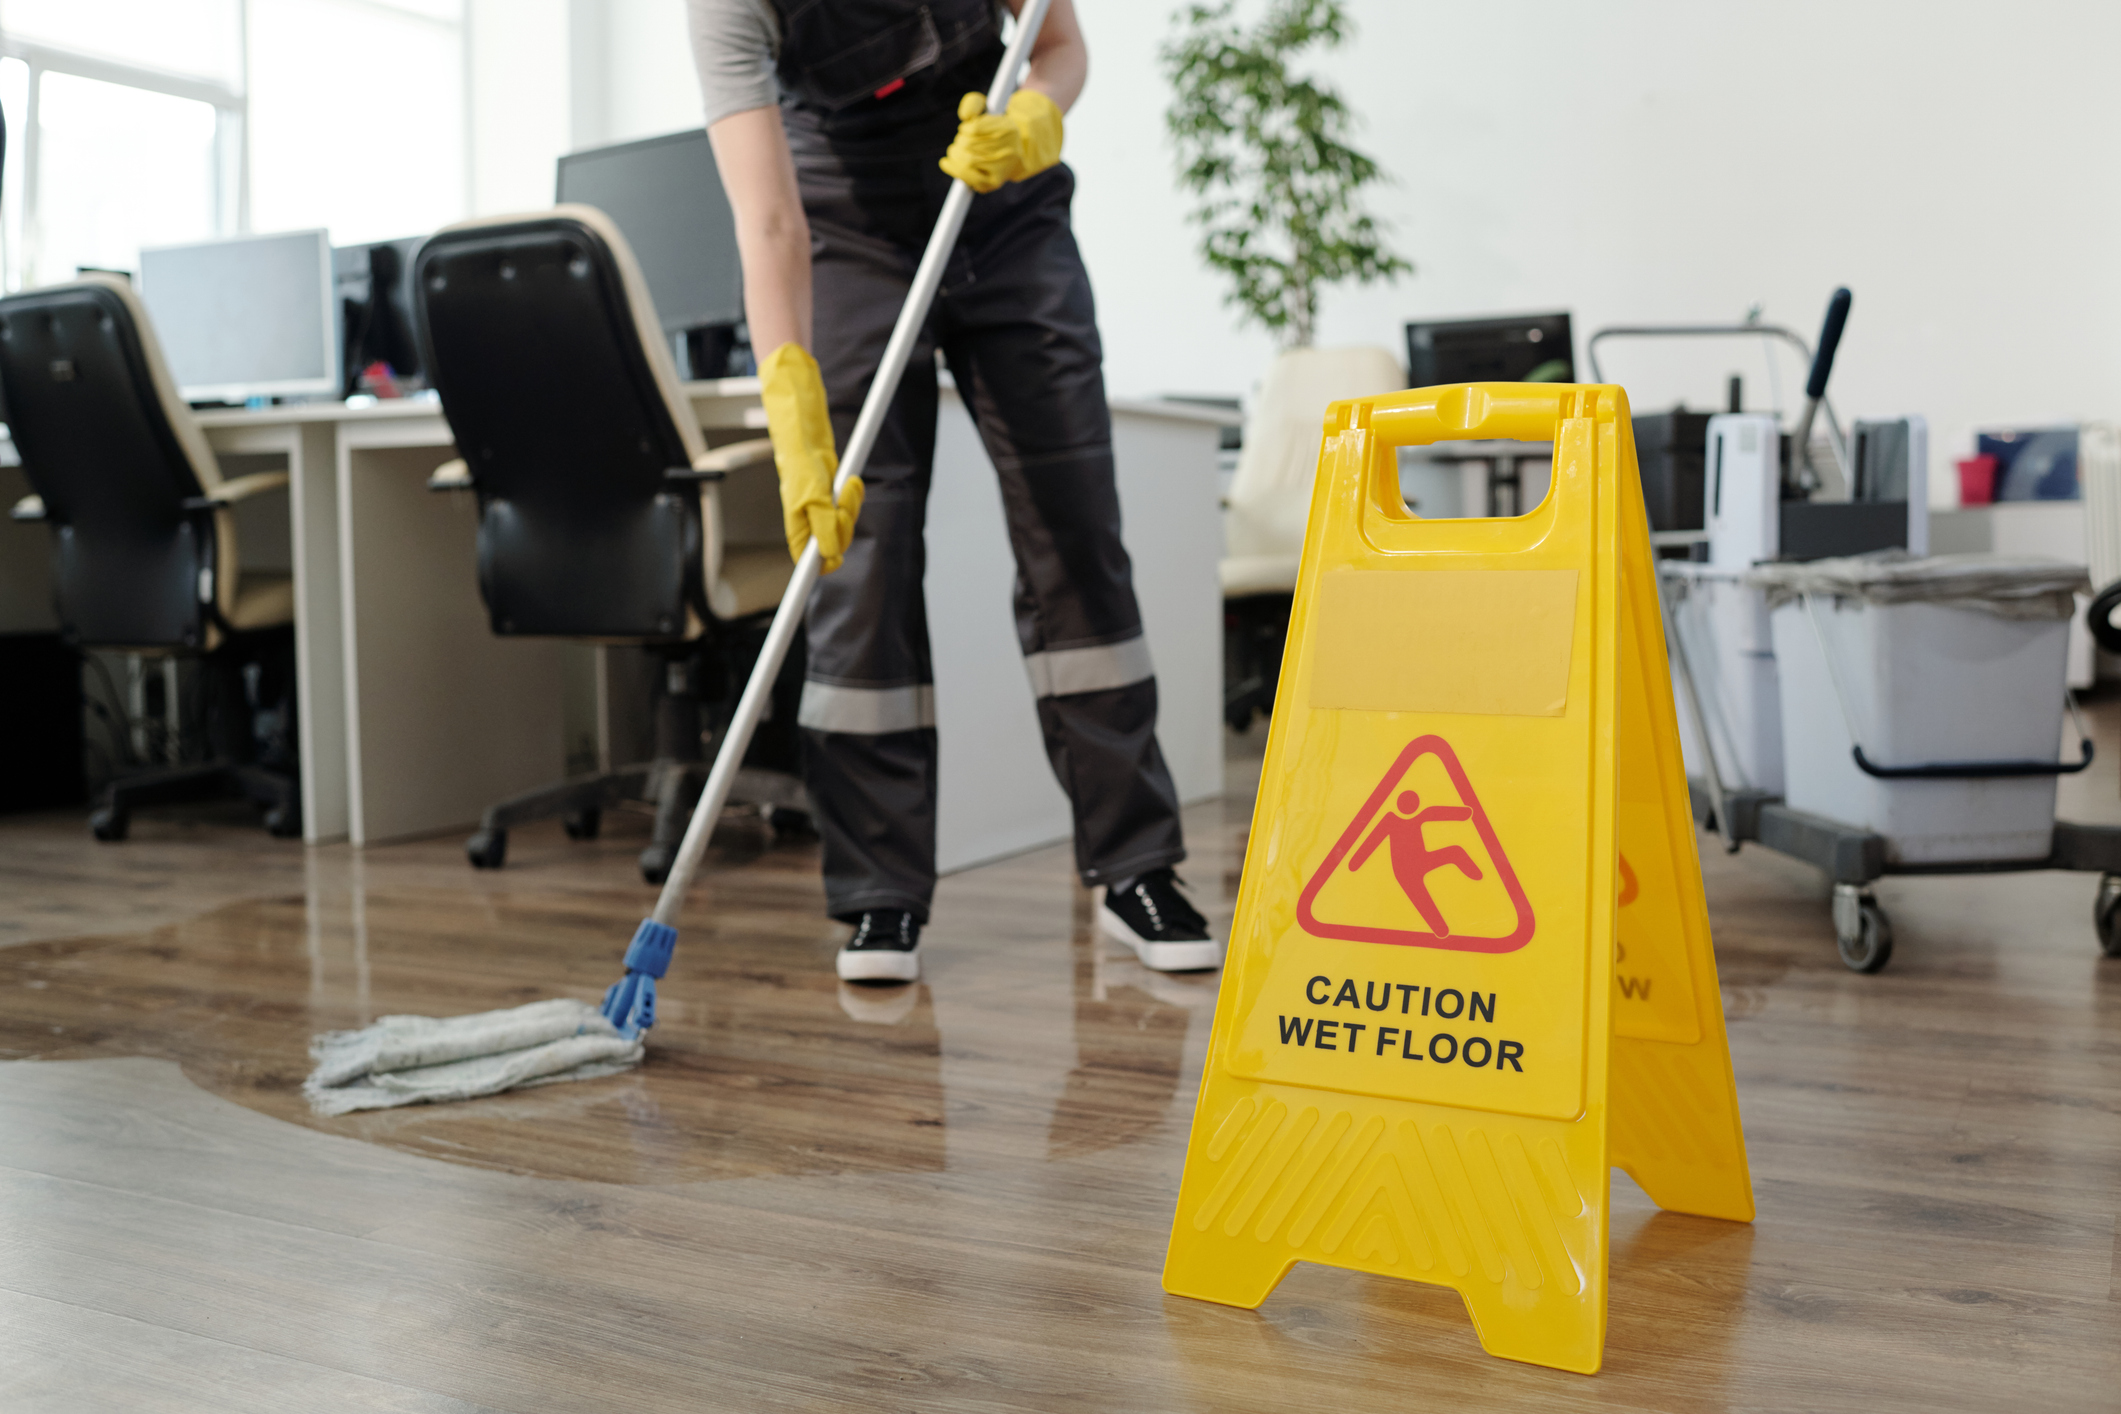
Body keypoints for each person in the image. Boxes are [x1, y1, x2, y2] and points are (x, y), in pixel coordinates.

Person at [688, 0, 1218, 984]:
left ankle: (1136, 867)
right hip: (844, 219)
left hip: (1004, 203)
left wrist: (1036, 120)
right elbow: (768, 220)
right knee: (863, 554)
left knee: (1073, 528)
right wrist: (792, 407)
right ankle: (878, 892)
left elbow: (1057, 47)